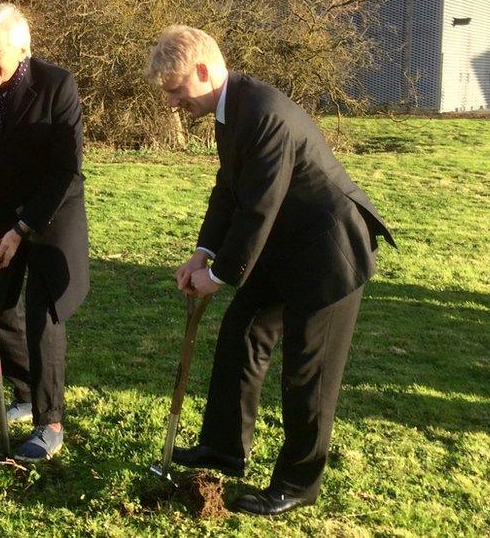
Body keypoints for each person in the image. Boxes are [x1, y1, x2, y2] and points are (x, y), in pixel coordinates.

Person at [144, 26, 395, 515]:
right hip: (283, 248)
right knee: (242, 331)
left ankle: (299, 483)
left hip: (329, 253)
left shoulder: (263, 113)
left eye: (175, 90)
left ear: (202, 71)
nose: (172, 102)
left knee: (309, 371)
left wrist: (218, 276)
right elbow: (229, 188)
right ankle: (223, 448)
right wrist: (202, 252)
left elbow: (259, 208)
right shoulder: (228, 108)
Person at [0, 3, 88, 462]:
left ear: (22, 50)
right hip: (3, 207)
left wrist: (25, 228)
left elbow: (66, 167)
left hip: (53, 207)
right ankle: (25, 392)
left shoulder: (56, 85)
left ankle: (50, 422)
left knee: (43, 310)